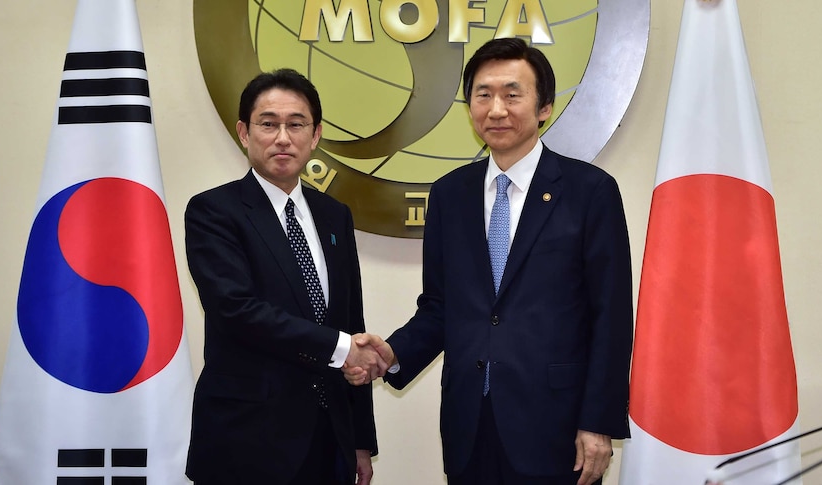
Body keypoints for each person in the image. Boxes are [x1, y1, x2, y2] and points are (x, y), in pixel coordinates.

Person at [346, 38, 634, 485]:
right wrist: (392, 354)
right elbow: (441, 306)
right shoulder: (449, 194)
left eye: (512, 94)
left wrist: (597, 422)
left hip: (557, 427)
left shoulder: (590, 191)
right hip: (470, 424)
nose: (496, 109)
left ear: (545, 108)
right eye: (483, 94)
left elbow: (611, 318)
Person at [184, 68, 385, 485]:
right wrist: (341, 346)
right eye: (268, 123)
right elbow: (235, 310)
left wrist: (360, 439)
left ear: (315, 136)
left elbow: (351, 320)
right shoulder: (213, 212)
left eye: (296, 124)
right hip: (246, 441)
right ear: (244, 132)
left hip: (328, 441)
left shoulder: (335, 215)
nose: (282, 137)